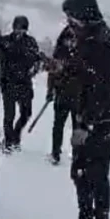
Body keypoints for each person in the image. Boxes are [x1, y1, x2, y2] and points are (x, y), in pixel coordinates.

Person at [50, 0, 110, 219]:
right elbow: (81, 72)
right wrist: (61, 69)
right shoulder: (87, 38)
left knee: (96, 174)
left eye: (72, 18)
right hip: (86, 117)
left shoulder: (103, 42)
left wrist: (85, 126)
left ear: (84, 15)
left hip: (103, 123)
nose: (69, 24)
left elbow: (102, 90)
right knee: (79, 173)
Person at [0, 15, 41, 152]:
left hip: (25, 84)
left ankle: (15, 135)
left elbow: (37, 59)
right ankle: (9, 143)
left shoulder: (31, 42)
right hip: (8, 82)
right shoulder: (4, 42)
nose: (20, 31)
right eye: (18, 28)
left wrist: (35, 70)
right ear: (14, 28)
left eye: (23, 29)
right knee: (9, 115)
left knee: (26, 113)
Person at [46, 26, 79, 165]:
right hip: (71, 94)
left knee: (63, 125)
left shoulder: (61, 51)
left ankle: (58, 153)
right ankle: (64, 153)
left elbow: (52, 73)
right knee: (70, 125)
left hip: (70, 94)